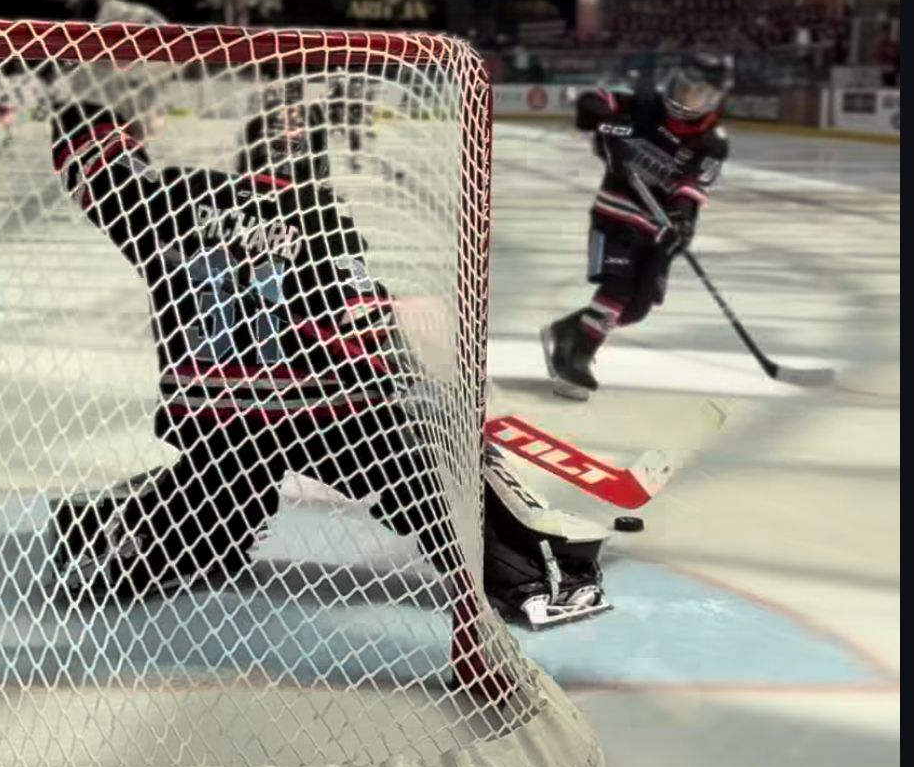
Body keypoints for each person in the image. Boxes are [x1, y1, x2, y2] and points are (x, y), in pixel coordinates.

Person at [48, 85, 609, 634]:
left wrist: (94, 117)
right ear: (317, 160)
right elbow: (346, 324)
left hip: (215, 418)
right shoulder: (319, 212)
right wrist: (427, 391)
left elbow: (95, 165)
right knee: (429, 482)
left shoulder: (173, 197)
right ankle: (530, 577)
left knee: (210, 533)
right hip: (322, 410)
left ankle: (95, 525)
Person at [541, 52, 731, 399]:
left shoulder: (712, 139)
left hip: (659, 228)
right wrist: (608, 122)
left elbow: (691, 187)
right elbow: (592, 102)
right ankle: (578, 357)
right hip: (617, 212)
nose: (691, 100)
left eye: (702, 95)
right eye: (688, 90)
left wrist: (682, 222)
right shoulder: (644, 105)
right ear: (675, 81)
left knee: (636, 307)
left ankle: (570, 330)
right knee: (618, 288)